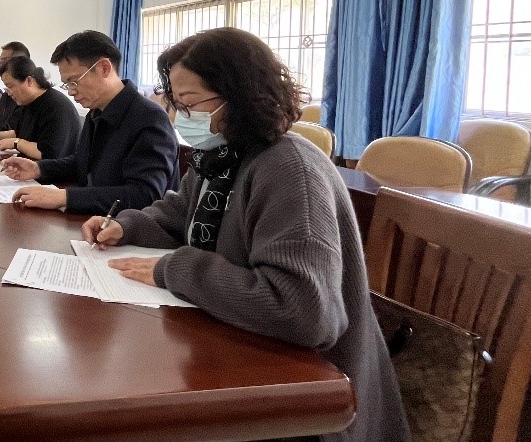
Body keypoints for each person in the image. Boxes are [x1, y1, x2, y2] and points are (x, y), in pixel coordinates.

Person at [83, 27, 408, 442]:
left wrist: (177, 268)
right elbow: (180, 214)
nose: (183, 117)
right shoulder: (221, 155)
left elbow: (304, 313)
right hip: (242, 352)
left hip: (311, 405)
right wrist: (124, 225)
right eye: (177, 104)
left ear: (239, 96)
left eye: (191, 103)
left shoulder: (290, 170)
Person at [2, 30, 177, 215]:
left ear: (104, 68)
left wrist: (65, 197)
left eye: (74, 81)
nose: (71, 92)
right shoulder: (97, 111)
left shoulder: (149, 118)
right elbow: (82, 163)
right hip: (96, 219)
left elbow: (144, 195)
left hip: (131, 227)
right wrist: (39, 169)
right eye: (67, 84)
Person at [0, 56, 81, 160]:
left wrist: (17, 143)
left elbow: (47, 152)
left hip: (53, 170)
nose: (9, 93)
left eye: (10, 86)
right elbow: (19, 133)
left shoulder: (55, 106)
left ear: (29, 81)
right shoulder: (27, 102)